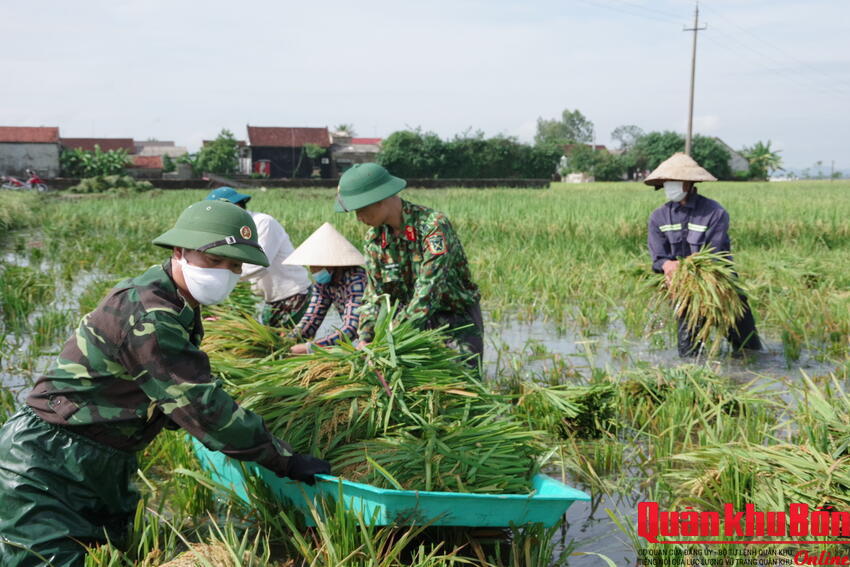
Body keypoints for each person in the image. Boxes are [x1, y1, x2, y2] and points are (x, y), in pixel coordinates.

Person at [0, 200, 330, 567]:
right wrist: (284, 459)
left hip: (102, 460)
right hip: (48, 462)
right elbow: (202, 407)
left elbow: (169, 392)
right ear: (180, 251)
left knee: (114, 554)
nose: (226, 273)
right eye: (214, 260)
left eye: (234, 265)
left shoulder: (178, 302)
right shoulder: (150, 313)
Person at [335, 163, 483, 361]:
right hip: (407, 325)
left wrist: (392, 337)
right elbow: (374, 295)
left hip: (455, 320)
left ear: (380, 199)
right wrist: (366, 337)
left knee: (462, 383)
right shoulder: (374, 241)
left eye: (361, 210)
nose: (359, 218)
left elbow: (428, 290)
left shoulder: (432, 227)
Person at [646, 152, 762, 357]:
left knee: (748, 350)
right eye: (667, 182)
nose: (670, 186)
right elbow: (658, 257)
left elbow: (714, 254)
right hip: (685, 291)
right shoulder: (658, 217)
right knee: (689, 354)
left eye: (675, 181)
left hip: (722, 290)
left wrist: (682, 266)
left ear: (689, 184)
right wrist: (666, 266)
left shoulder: (715, 213)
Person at [205, 187, 311, 328]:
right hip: (270, 299)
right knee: (265, 342)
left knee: (283, 344)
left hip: (293, 295)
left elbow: (258, 265)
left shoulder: (263, 223)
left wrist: (220, 279)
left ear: (236, 207)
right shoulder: (232, 232)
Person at [282, 222, 368, 354]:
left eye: (316, 265)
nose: (312, 270)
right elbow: (311, 319)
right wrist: (289, 340)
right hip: (362, 341)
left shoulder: (356, 280)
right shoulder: (324, 284)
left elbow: (351, 329)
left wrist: (310, 348)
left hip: (380, 337)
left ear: (331, 263)